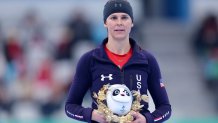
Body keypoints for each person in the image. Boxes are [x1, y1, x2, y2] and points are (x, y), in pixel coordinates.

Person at [65, 0, 172, 123]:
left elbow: (165, 109)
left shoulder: (147, 60)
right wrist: (91, 114)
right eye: (114, 18)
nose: (119, 23)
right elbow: (70, 107)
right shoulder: (89, 60)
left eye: (124, 17)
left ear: (132, 22)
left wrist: (147, 119)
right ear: (105, 22)